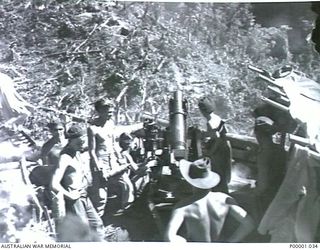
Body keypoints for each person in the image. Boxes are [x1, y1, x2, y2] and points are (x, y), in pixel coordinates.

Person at [164, 157, 255, 242]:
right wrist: (230, 242)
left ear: (190, 181)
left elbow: (169, 237)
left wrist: (185, 243)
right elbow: (249, 224)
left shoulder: (183, 206)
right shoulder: (224, 199)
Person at [87, 98, 144, 217]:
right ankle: (98, 219)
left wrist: (120, 159)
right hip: (101, 163)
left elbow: (114, 144)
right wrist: (98, 167)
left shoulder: (111, 124)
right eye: (108, 111)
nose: (110, 113)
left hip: (114, 162)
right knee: (100, 196)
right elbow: (92, 151)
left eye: (111, 111)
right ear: (100, 111)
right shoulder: (92, 128)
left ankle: (127, 211)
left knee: (127, 185)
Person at [51, 124, 105, 241]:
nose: (81, 146)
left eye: (83, 142)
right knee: (83, 231)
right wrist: (69, 195)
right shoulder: (65, 157)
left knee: (97, 225)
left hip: (85, 196)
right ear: (70, 141)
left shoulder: (78, 151)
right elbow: (54, 184)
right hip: (75, 200)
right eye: (78, 143)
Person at [198, 97, 232, 193]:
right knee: (223, 173)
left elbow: (217, 139)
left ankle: (220, 193)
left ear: (203, 111)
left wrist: (210, 152)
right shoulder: (216, 117)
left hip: (219, 150)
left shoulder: (210, 122)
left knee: (218, 173)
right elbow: (220, 133)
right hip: (225, 147)